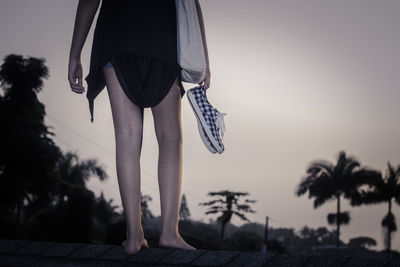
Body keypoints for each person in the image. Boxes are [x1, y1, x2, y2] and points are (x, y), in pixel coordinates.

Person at [68, 0, 210, 255]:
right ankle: (169, 232)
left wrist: (74, 53)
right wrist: (204, 59)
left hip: (117, 35)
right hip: (162, 37)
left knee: (127, 136)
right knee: (169, 137)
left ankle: (133, 237)